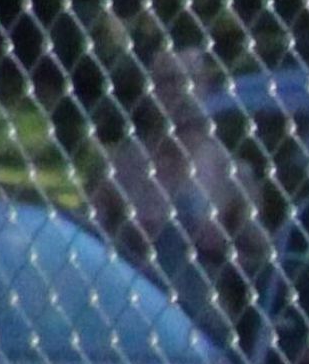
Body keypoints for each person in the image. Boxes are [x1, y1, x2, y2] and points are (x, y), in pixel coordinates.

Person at [88, 44, 274, 344]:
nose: (180, 92)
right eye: (168, 82)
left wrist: (221, 247)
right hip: (129, 323)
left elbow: (264, 263)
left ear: (206, 87)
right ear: (150, 91)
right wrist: (129, 240)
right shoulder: (120, 168)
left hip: (202, 329)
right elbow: (83, 243)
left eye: (191, 80)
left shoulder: (231, 173)